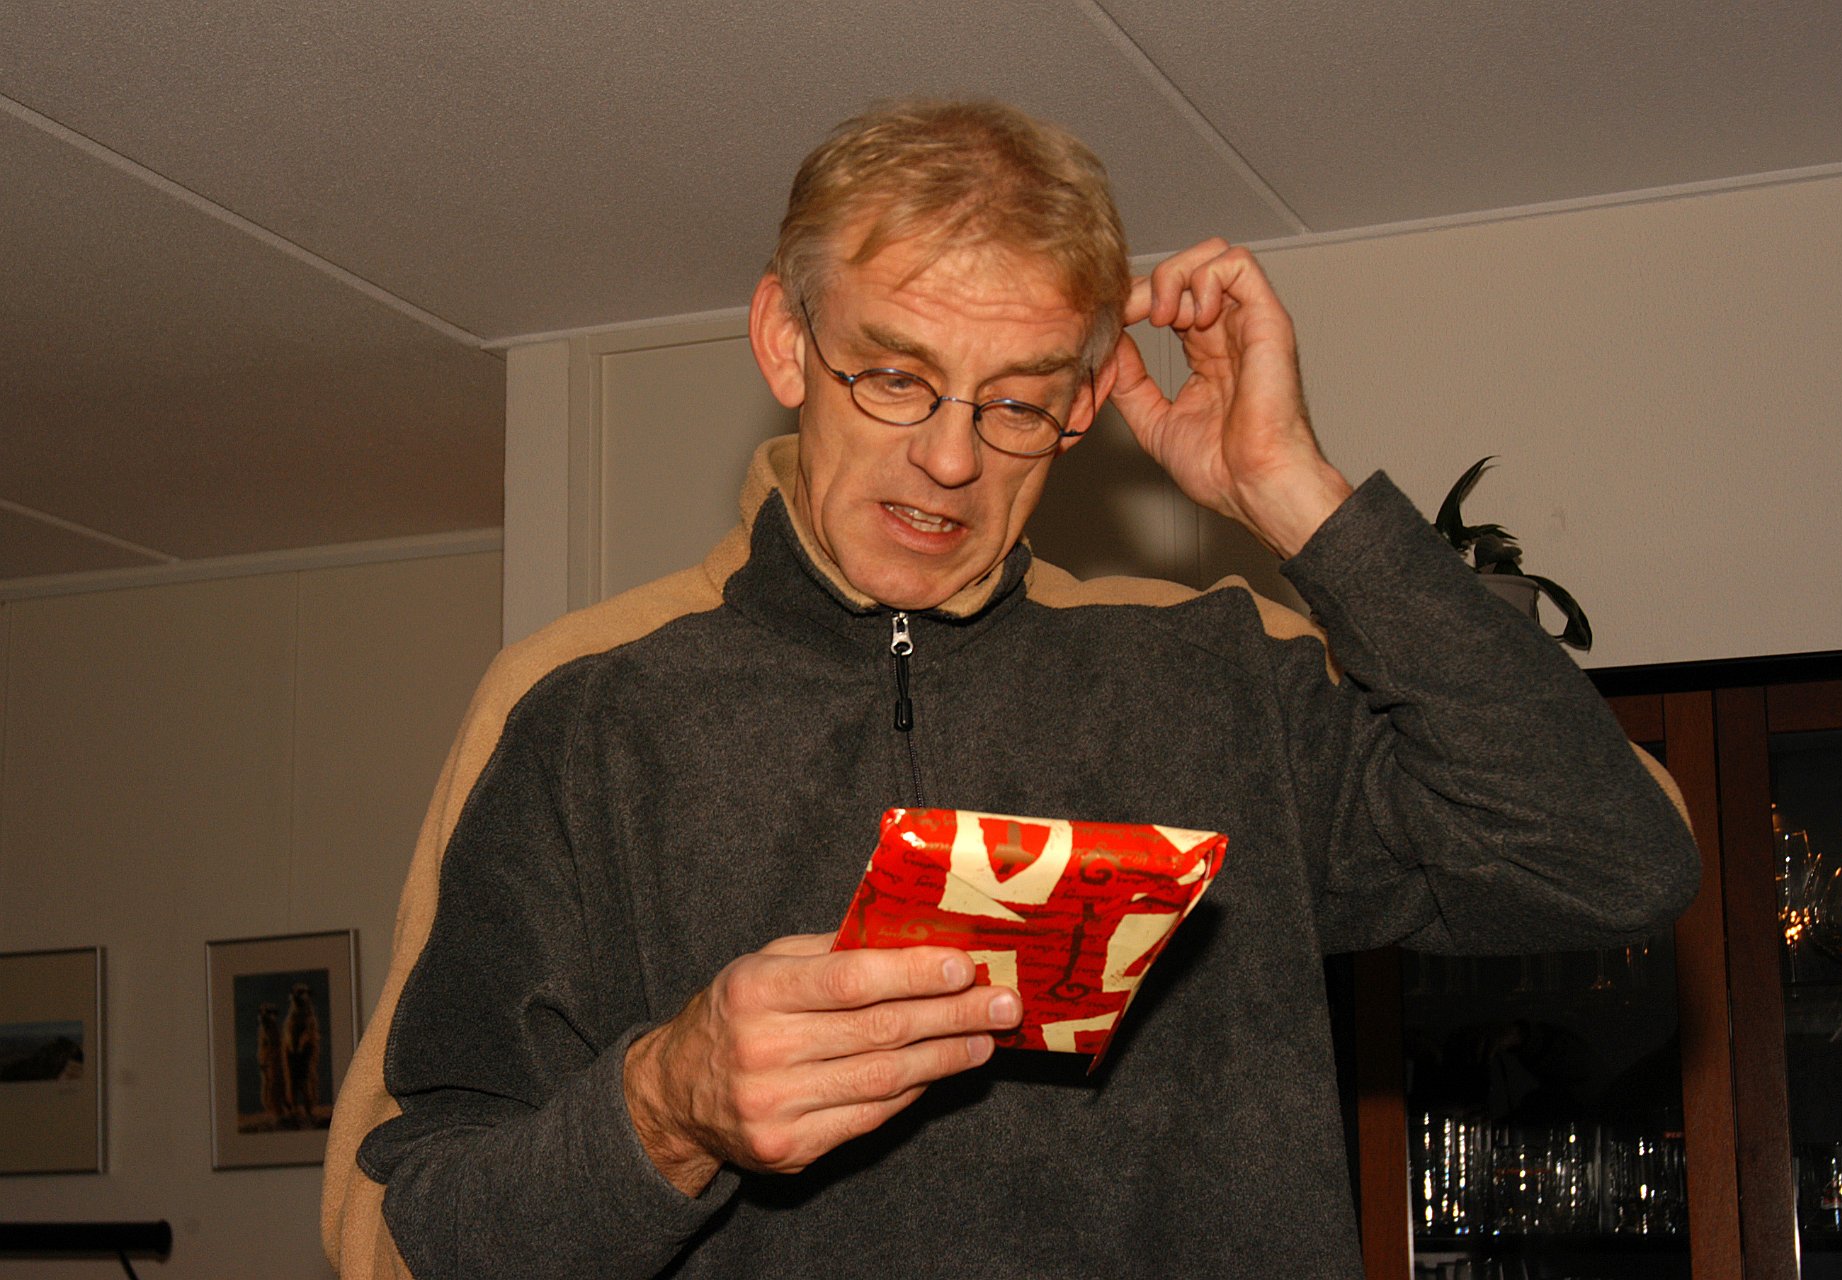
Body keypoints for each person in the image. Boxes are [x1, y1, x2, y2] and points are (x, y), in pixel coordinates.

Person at [322, 99, 1696, 1278]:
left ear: (1086, 402)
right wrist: (665, 1109)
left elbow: (1612, 862)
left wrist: (1293, 493)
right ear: (786, 341)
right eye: (894, 377)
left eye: (1019, 402)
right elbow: (403, 1232)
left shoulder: (1222, 677)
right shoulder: (582, 709)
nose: (952, 459)